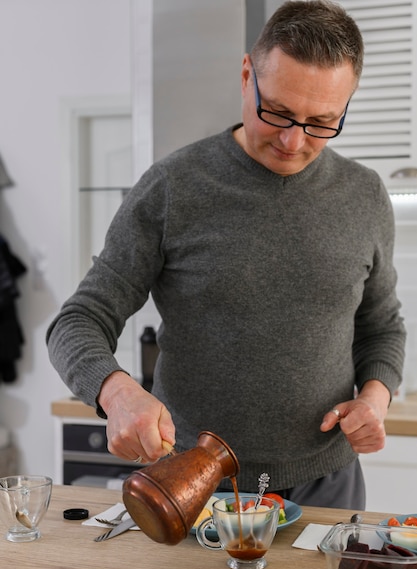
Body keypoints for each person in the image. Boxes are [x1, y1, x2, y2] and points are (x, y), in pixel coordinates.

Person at [47, 0, 406, 509]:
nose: (293, 140)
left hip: (328, 485)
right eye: (277, 111)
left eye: (321, 122)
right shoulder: (172, 187)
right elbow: (77, 320)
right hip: (193, 485)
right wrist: (117, 391)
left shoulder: (365, 195)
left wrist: (376, 394)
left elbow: (382, 325)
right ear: (246, 75)